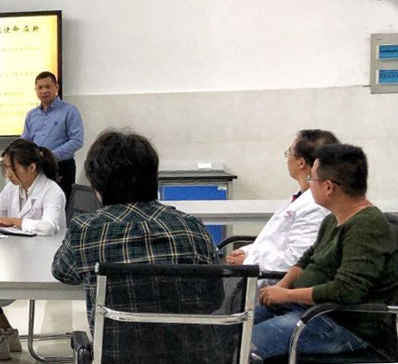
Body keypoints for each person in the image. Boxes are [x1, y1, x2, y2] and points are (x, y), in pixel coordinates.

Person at [51, 130, 216, 325]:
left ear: (97, 188)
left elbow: (62, 272)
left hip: (116, 345)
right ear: (154, 178)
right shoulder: (192, 227)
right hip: (191, 344)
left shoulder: (85, 230)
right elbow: (215, 296)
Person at [250, 143, 398, 360]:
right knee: (229, 331)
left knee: (242, 345)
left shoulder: (367, 226)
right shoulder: (332, 219)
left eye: (312, 179)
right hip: (306, 309)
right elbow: (306, 259)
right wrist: (282, 286)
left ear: (328, 187)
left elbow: (346, 291)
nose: (309, 184)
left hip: (340, 324)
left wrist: (288, 295)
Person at [0, 139, 66, 361]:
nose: (8, 174)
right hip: (18, 258)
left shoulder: (52, 191)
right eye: (5, 168)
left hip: (41, 265)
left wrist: (15, 221)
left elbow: (49, 226)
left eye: (12, 168)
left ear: (32, 167)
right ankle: (6, 334)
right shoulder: (14, 188)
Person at [226, 130, 338, 274]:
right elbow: (276, 243)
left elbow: (296, 261)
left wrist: (249, 261)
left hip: (278, 283)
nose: (287, 159)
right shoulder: (300, 198)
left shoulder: (315, 206)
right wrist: (247, 251)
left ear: (301, 163)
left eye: (289, 153)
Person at [20, 71, 84, 202]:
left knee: (61, 204)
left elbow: (77, 140)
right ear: (36, 90)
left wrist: (51, 156)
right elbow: (25, 141)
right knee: (36, 205)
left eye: (48, 87)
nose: (44, 91)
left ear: (56, 87)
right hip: (37, 168)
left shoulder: (69, 111)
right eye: (40, 87)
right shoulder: (31, 115)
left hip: (62, 167)